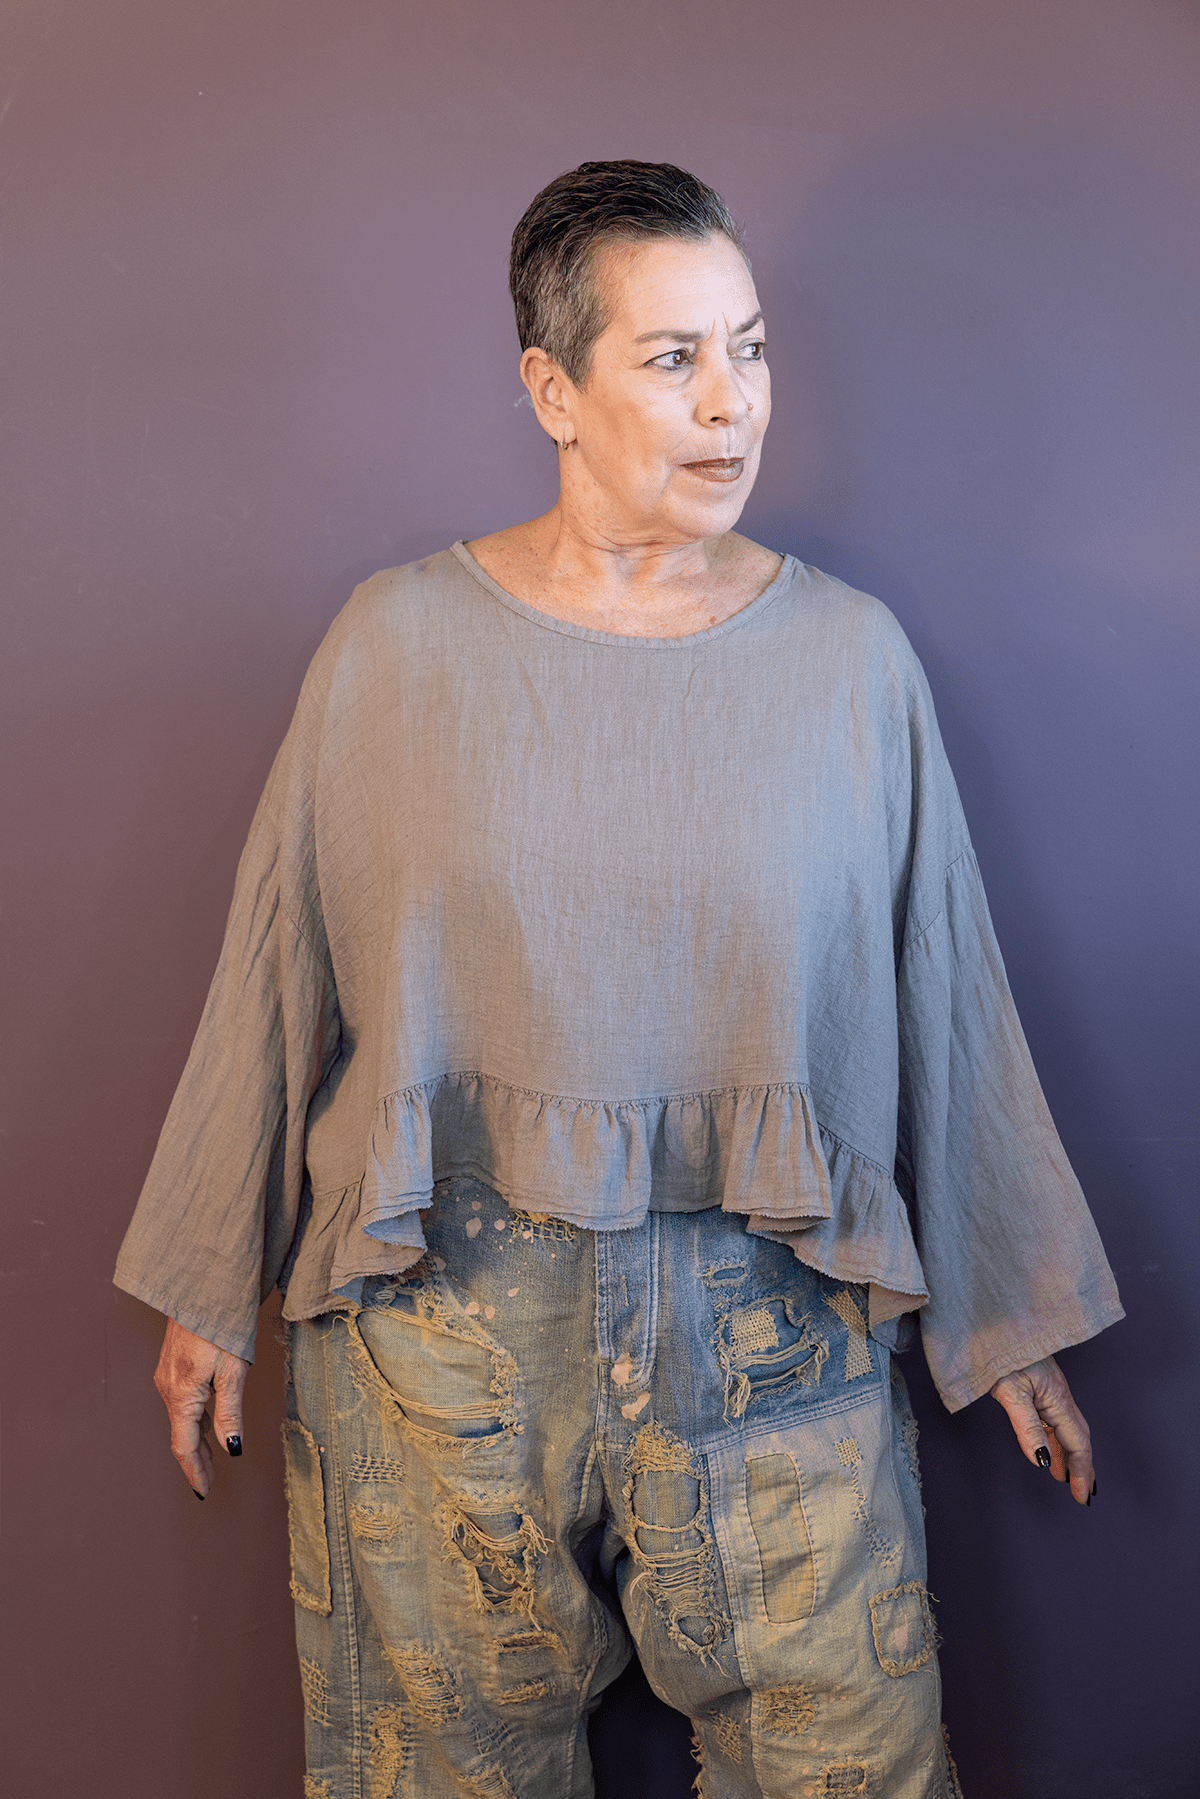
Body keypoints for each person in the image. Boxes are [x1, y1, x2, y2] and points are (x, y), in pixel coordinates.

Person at [116, 161, 1122, 1799]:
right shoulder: (393, 647)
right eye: (673, 358)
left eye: (751, 347)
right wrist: (206, 1277)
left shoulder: (851, 662)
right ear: (553, 391)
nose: (733, 403)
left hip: (777, 1341)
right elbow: (277, 961)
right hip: (437, 1340)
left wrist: (1009, 1315)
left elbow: (945, 983)